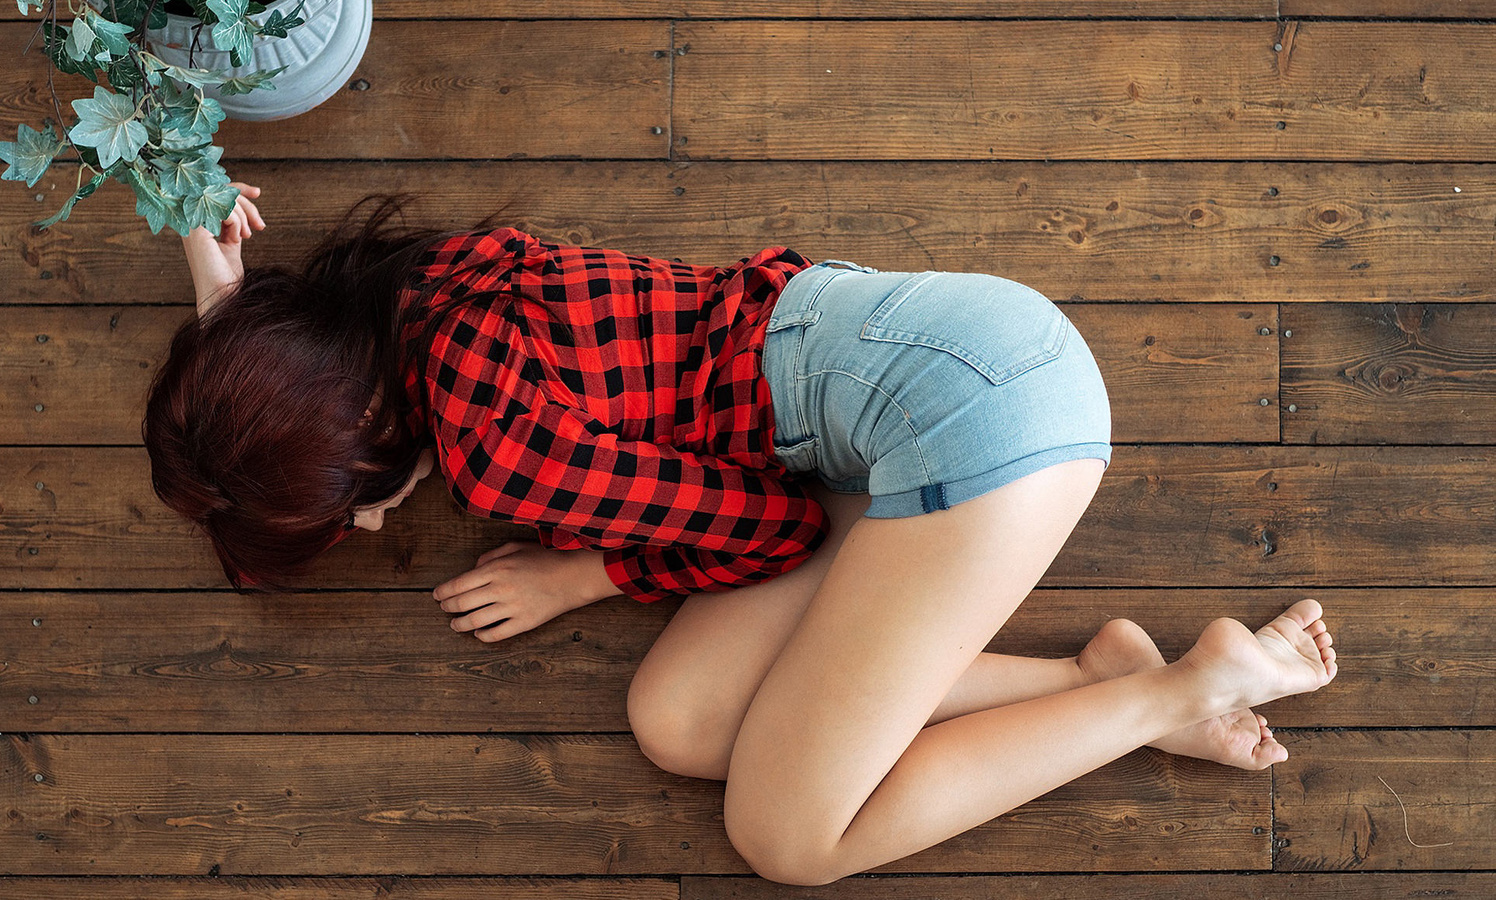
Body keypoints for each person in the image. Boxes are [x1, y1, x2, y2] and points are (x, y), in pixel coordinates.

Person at [145, 183, 1338, 887]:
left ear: (348, 422)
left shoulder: (494, 451)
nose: (363, 515)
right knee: (680, 721)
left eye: (344, 497)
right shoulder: (426, 287)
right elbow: (292, 396)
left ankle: (1172, 696)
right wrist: (227, 305)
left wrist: (585, 574)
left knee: (788, 836)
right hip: (916, 377)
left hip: (979, 427)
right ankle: (1090, 680)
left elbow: (763, 533)